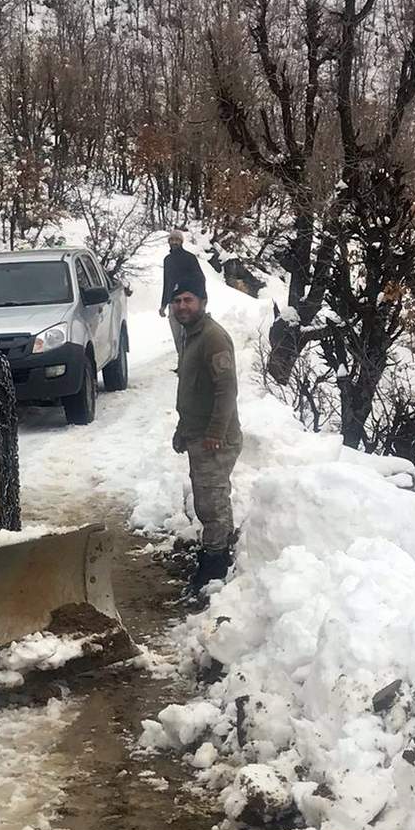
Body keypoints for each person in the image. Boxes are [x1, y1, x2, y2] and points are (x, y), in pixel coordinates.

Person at [169, 282, 241, 595]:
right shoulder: (190, 334)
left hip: (215, 439)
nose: (182, 305)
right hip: (197, 435)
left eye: (188, 299)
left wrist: (215, 432)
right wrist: (183, 428)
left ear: (202, 301)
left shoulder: (213, 336)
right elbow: (192, 389)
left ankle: (215, 568)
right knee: (205, 499)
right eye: (177, 301)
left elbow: (227, 390)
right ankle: (215, 555)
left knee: (213, 503)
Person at [159, 229, 206, 366]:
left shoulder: (190, 258)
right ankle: (183, 361)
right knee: (176, 334)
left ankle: (191, 361)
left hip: (189, 301)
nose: (174, 242)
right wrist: (163, 304)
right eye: (172, 240)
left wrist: (200, 299)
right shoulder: (167, 260)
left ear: (181, 242)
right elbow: (167, 282)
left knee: (189, 332)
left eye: (177, 240)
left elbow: (200, 278)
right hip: (173, 302)